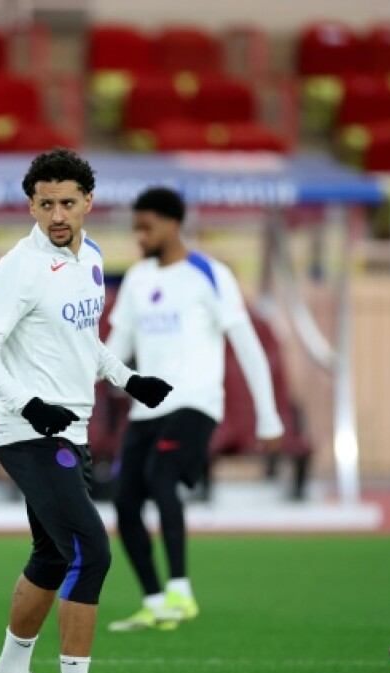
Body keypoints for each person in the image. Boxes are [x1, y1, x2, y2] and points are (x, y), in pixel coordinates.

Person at [0, 148, 173, 673]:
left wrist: (129, 379)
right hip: (28, 431)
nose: (57, 214)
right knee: (91, 550)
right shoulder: (19, 267)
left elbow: (86, 341)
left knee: (53, 555)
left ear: (88, 204)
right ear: (30, 205)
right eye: (46, 203)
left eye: (68, 202)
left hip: (69, 429)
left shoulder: (93, 258)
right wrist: (27, 403)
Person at [104, 187, 284, 632]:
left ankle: (181, 591)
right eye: (136, 229)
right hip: (147, 409)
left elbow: (247, 345)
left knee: (161, 476)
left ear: (171, 223)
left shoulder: (209, 273)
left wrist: (269, 415)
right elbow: (115, 350)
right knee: (125, 502)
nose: (140, 237)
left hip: (195, 402)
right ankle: (154, 600)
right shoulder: (137, 281)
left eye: (147, 227)